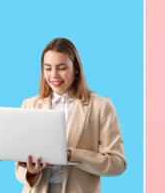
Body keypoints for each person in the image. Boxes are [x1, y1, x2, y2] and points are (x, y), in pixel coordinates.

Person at [15, 37, 127, 193]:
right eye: (48, 68)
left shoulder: (101, 106)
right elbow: (19, 170)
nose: (54, 75)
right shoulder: (29, 105)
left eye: (61, 67)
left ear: (76, 69)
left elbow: (117, 164)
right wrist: (31, 171)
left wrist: (71, 155)